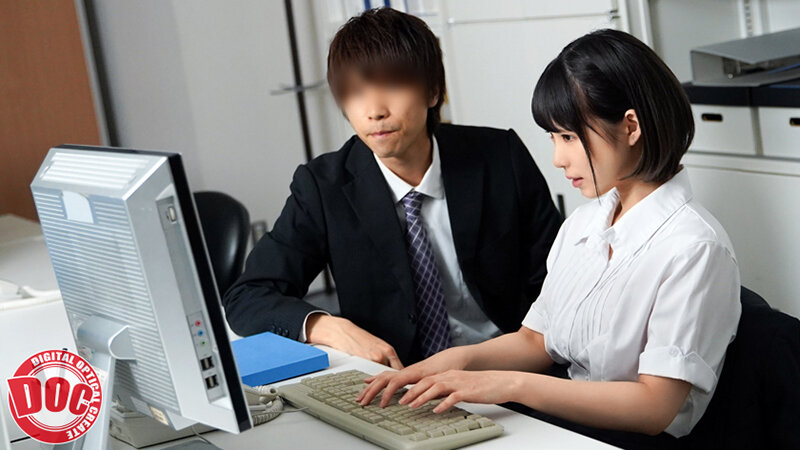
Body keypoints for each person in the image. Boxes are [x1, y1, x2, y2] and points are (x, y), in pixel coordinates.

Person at [357, 29, 742, 442]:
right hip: (567, 427)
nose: (558, 158)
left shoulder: (693, 248)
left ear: (631, 126)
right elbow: (536, 340)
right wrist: (451, 363)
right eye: (554, 137)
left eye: (569, 137)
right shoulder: (584, 223)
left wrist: (510, 385)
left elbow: (655, 407)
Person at [223, 8, 563, 368]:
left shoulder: (499, 158)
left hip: (510, 370)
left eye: (392, 87)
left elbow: (560, 282)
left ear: (433, 91)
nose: (374, 111)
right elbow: (247, 296)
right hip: (398, 380)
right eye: (355, 93)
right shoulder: (323, 187)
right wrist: (329, 326)